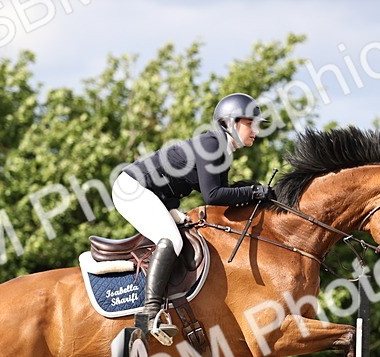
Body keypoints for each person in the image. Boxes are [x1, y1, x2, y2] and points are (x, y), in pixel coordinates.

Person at [111, 92, 277, 343]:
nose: (255, 129)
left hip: (155, 195)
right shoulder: (212, 146)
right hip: (132, 189)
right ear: (231, 123)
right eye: (250, 123)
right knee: (171, 239)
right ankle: (148, 315)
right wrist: (255, 191)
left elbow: (222, 200)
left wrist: (255, 195)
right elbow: (213, 195)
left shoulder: (221, 148)